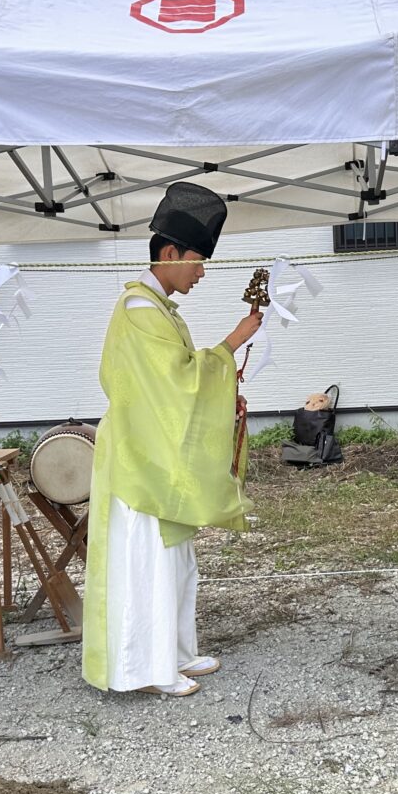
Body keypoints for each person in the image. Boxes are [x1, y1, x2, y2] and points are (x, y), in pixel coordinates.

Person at [81, 181, 263, 698]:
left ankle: (176, 652)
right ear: (169, 255)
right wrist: (233, 341)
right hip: (140, 460)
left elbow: (178, 382)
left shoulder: (157, 309)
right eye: (197, 262)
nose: (201, 273)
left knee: (176, 560)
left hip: (157, 452)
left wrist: (223, 384)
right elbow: (178, 381)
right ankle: (145, 668)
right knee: (147, 564)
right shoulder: (140, 311)